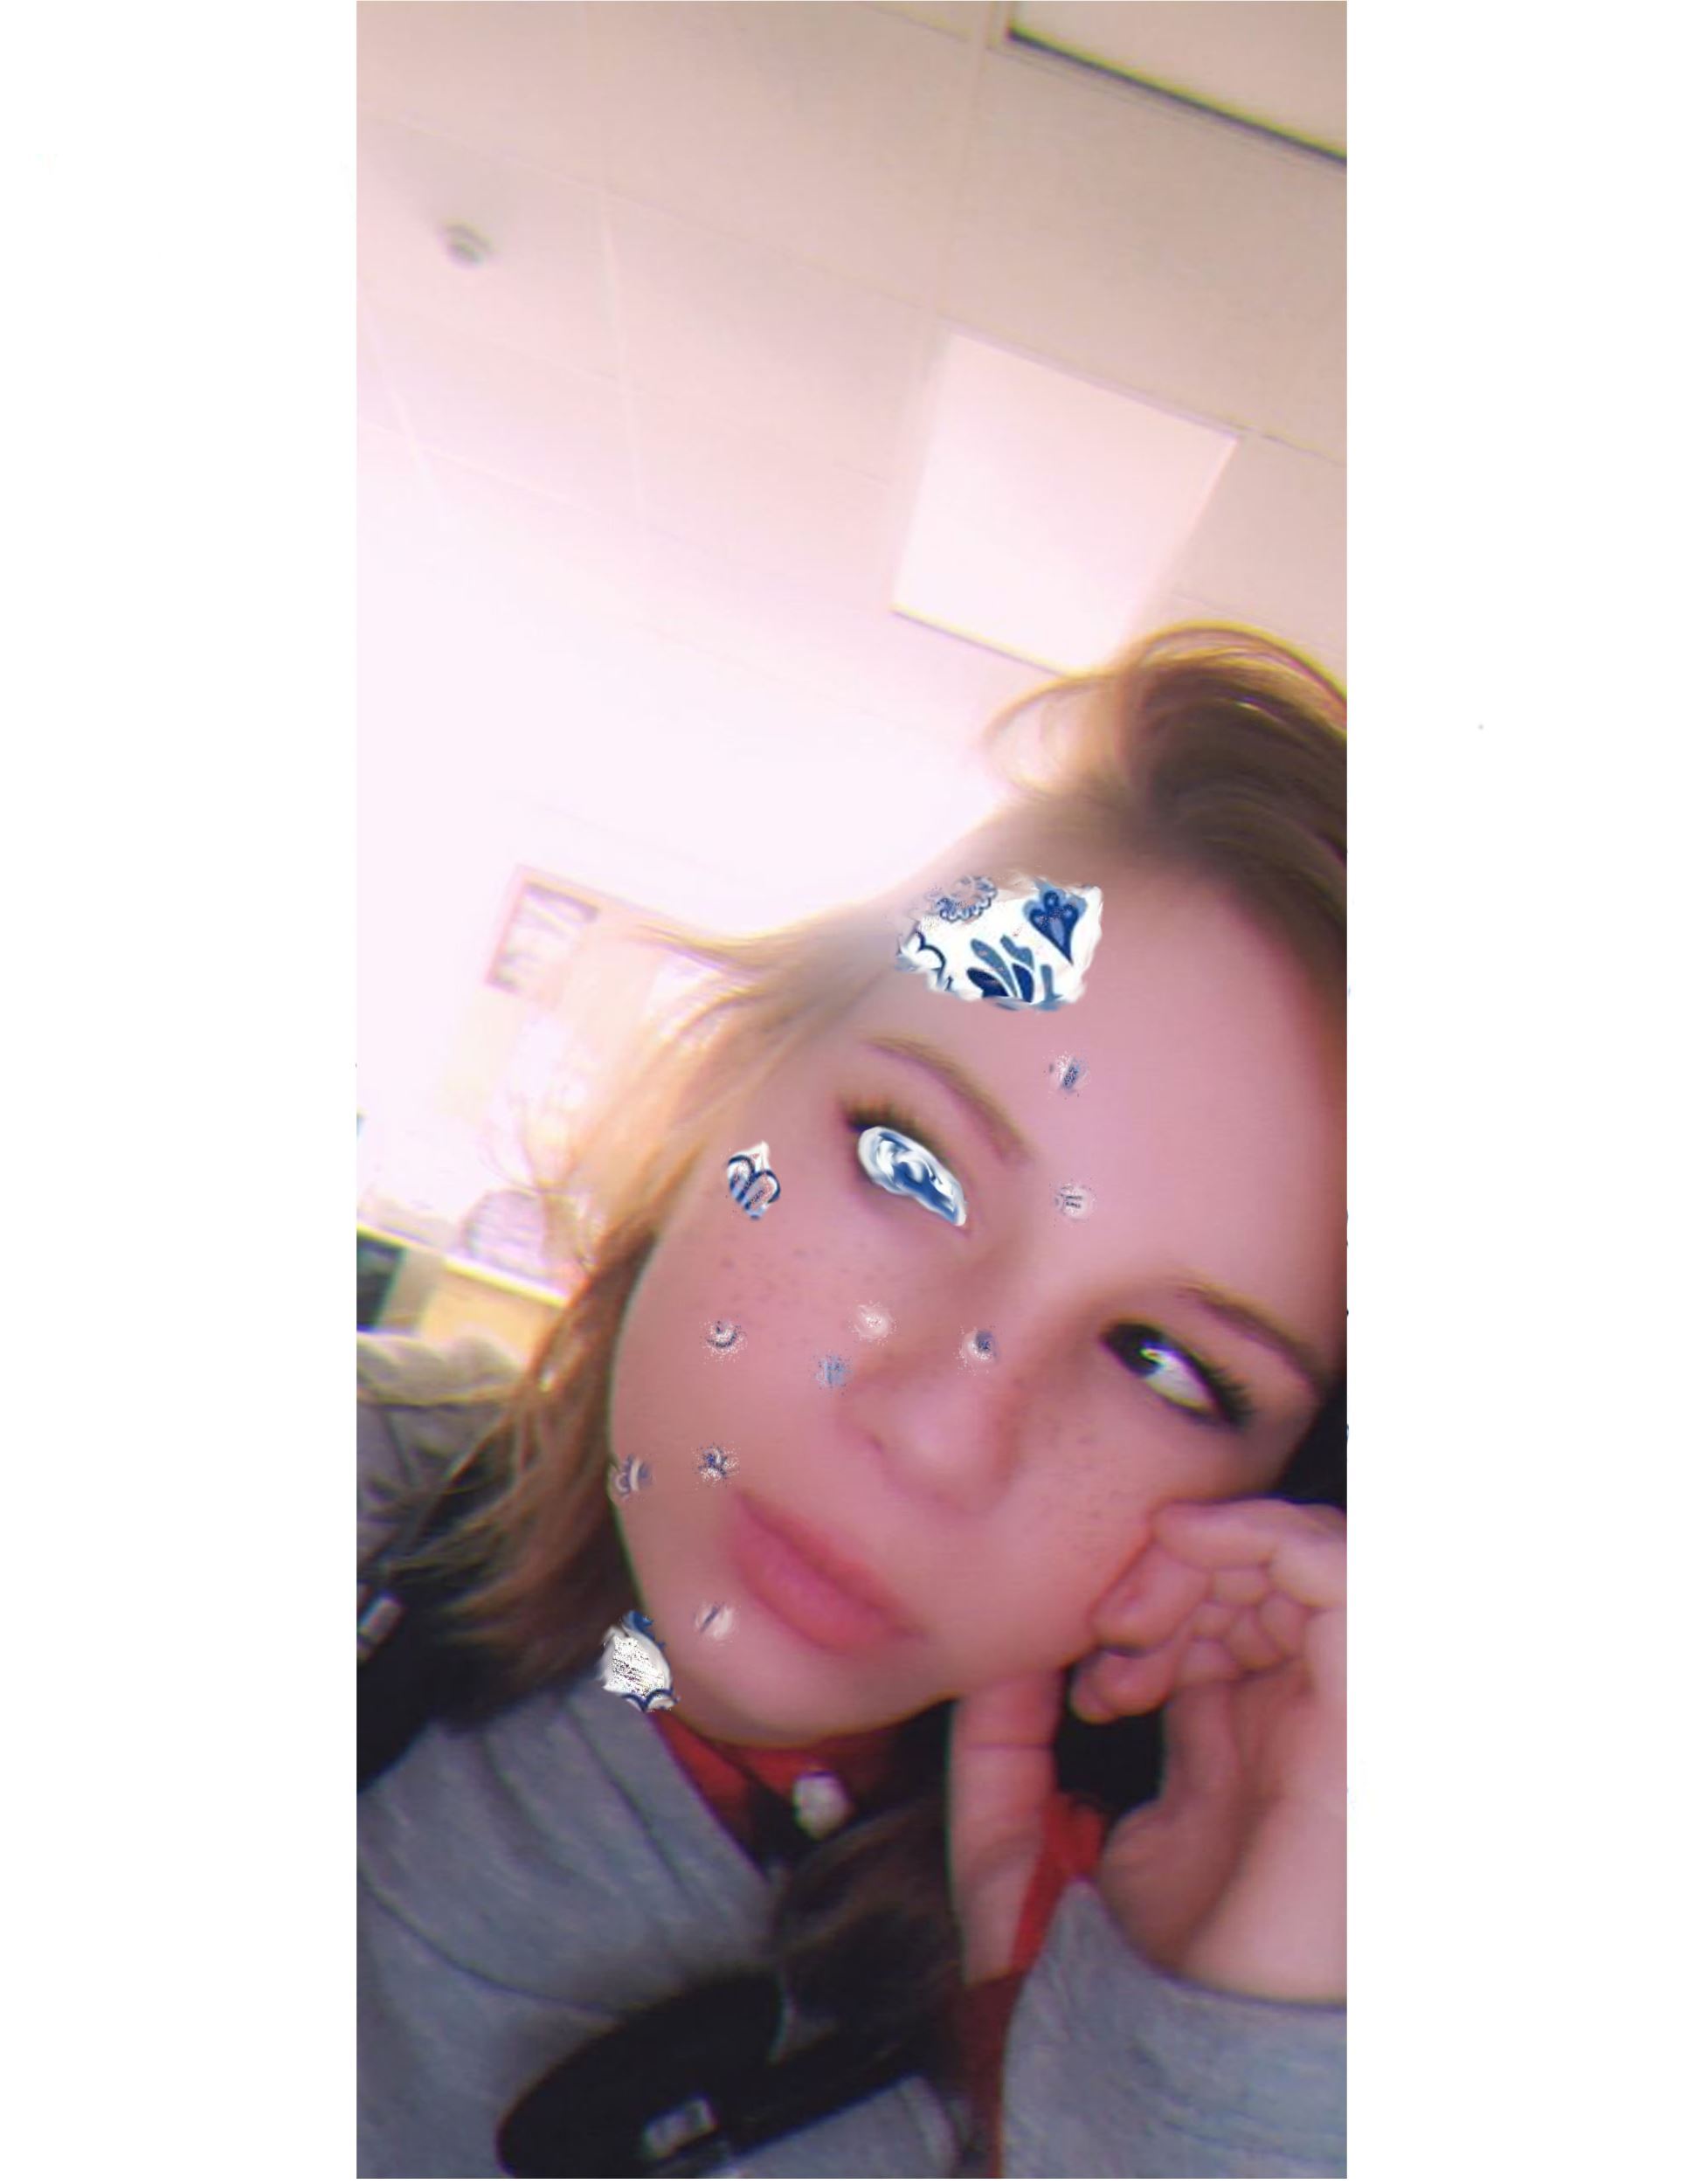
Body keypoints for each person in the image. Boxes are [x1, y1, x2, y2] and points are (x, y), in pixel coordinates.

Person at [358, 623, 1347, 2177]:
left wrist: (1165, 2096)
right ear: (724, 1098)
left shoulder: (1154, 2062)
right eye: (911, 1164)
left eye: (1164, 1365)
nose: (942, 1434)